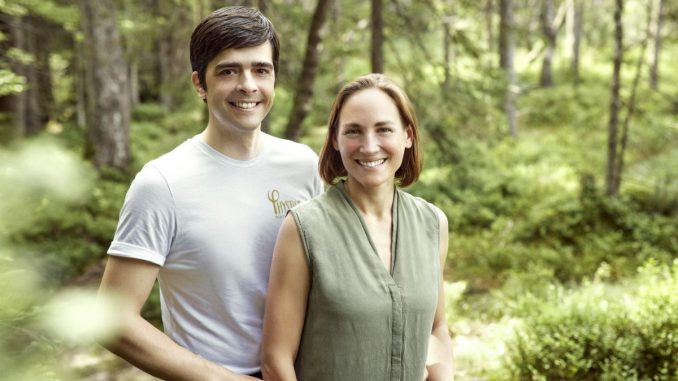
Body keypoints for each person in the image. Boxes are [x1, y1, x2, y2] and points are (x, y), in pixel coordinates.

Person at [97, 6, 322, 380]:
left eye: (261, 70)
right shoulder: (163, 183)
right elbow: (112, 319)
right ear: (200, 84)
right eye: (229, 71)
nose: (248, 85)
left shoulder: (302, 165)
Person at [261, 73, 455, 381]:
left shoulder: (433, 224)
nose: (369, 146)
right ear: (336, 140)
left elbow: (435, 329)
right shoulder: (304, 228)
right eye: (354, 131)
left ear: (408, 136)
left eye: (383, 130)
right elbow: (276, 360)